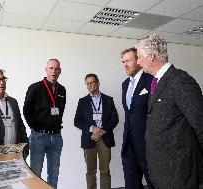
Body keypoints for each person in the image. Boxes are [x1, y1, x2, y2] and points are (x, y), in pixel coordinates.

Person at [135, 34, 203, 189]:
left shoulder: (179, 80)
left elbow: (200, 124)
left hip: (180, 172)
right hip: (163, 171)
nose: (138, 62)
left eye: (139, 57)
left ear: (151, 56)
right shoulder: (156, 81)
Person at [23, 59, 66, 189]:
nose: (54, 71)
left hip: (56, 138)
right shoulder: (35, 87)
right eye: (51, 68)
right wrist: (35, 127)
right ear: (46, 69)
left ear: (60, 71)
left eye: (57, 69)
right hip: (38, 137)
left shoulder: (62, 90)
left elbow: (60, 111)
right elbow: (26, 110)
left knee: (53, 174)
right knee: (36, 174)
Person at [74, 73, 119, 189]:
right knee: (90, 171)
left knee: (105, 170)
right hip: (89, 139)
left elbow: (115, 119)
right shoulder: (82, 101)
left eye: (92, 82)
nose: (89, 85)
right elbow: (77, 121)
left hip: (105, 138)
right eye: (87, 83)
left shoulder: (108, 100)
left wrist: (103, 131)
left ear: (98, 83)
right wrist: (92, 129)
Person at [120, 48, 154, 189]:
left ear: (139, 61)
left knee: (153, 182)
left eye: (128, 61)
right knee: (131, 184)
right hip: (128, 144)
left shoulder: (151, 81)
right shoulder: (125, 84)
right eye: (123, 62)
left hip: (147, 144)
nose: (125, 65)